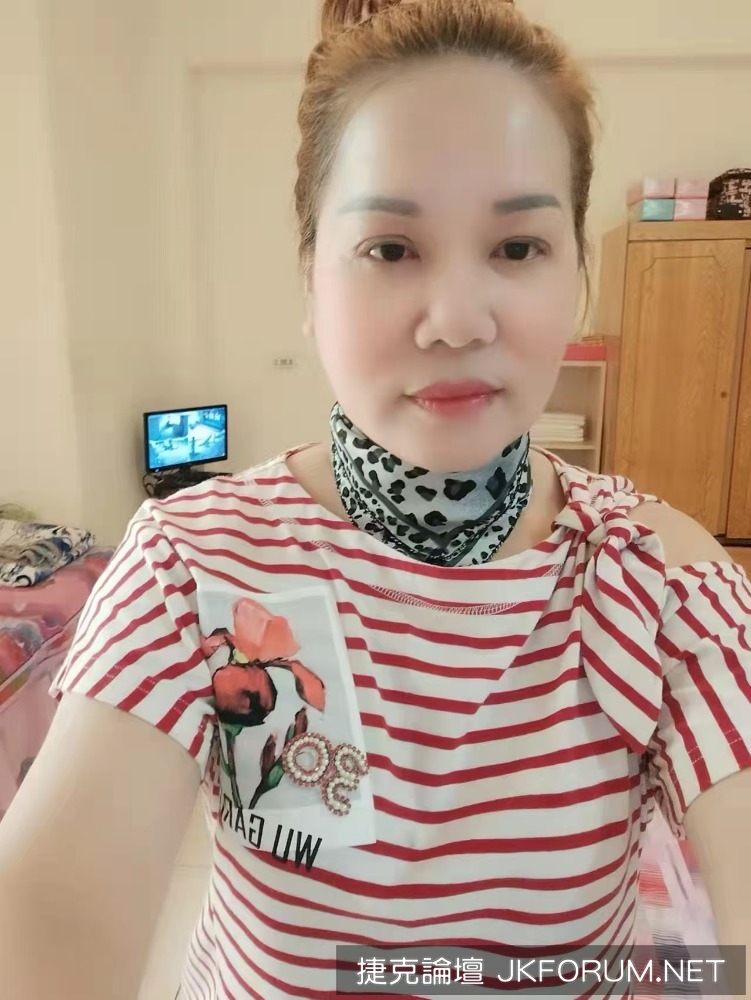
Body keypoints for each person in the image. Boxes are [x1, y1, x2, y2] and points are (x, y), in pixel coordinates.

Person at [1, 1, 750, 998]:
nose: (457, 319)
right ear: (310, 278)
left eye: (518, 247)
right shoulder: (194, 563)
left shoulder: (662, 576)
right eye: (390, 249)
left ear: (575, 272)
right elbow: (52, 916)